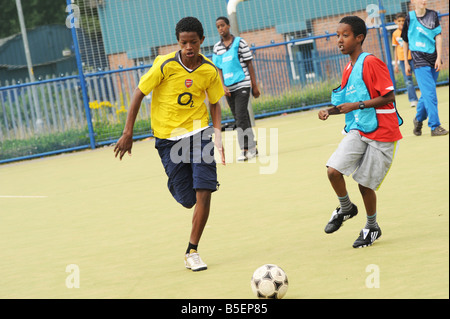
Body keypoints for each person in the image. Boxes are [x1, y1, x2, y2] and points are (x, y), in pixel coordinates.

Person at [114, 17, 225, 271]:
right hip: (167, 138)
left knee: (205, 190)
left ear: (202, 41)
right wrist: (128, 132)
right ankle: (180, 180)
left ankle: (192, 251)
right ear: (178, 42)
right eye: (184, 42)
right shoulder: (164, 65)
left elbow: (215, 102)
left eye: (193, 42)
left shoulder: (208, 69)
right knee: (188, 199)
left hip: (199, 133)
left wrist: (216, 134)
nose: (189, 47)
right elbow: (139, 92)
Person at [318, 16, 403, 248]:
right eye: (337, 36)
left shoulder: (372, 62)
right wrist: (329, 111)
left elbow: (389, 96)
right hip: (359, 127)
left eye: (344, 35)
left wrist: (357, 106)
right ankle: (346, 208)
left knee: (364, 185)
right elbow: (347, 102)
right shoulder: (349, 67)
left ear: (359, 38)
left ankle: (372, 226)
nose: (339, 40)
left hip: (382, 131)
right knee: (333, 171)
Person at [213, 16, 260, 161]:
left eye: (223, 25)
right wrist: (223, 86)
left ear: (228, 26)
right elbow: (218, 69)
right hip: (228, 88)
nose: (221, 29)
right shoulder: (217, 48)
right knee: (240, 117)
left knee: (240, 117)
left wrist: (254, 85)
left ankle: (244, 149)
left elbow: (249, 64)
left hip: (243, 84)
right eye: (218, 27)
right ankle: (253, 147)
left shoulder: (240, 43)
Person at [401, 0, 448, 136]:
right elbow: (405, 40)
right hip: (419, 59)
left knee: (427, 93)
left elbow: (438, 37)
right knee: (430, 94)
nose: (423, 1)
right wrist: (405, 62)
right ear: (413, 1)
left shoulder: (433, 15)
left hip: (433, 58)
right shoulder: (409, 17)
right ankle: (435, 126)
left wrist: (439, 57)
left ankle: (418, 119)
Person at [392, 12, 419, 107]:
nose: (401, 23)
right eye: (399, 21)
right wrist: (396, 63)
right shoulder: (395, 34)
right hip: (403, 60)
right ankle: (413, 100)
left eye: (403, 21)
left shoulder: (410, 30)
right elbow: (395, 49)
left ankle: (425, 97)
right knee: (408, 80)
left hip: (413, 57)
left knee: (419, 77)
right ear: (395, 22)